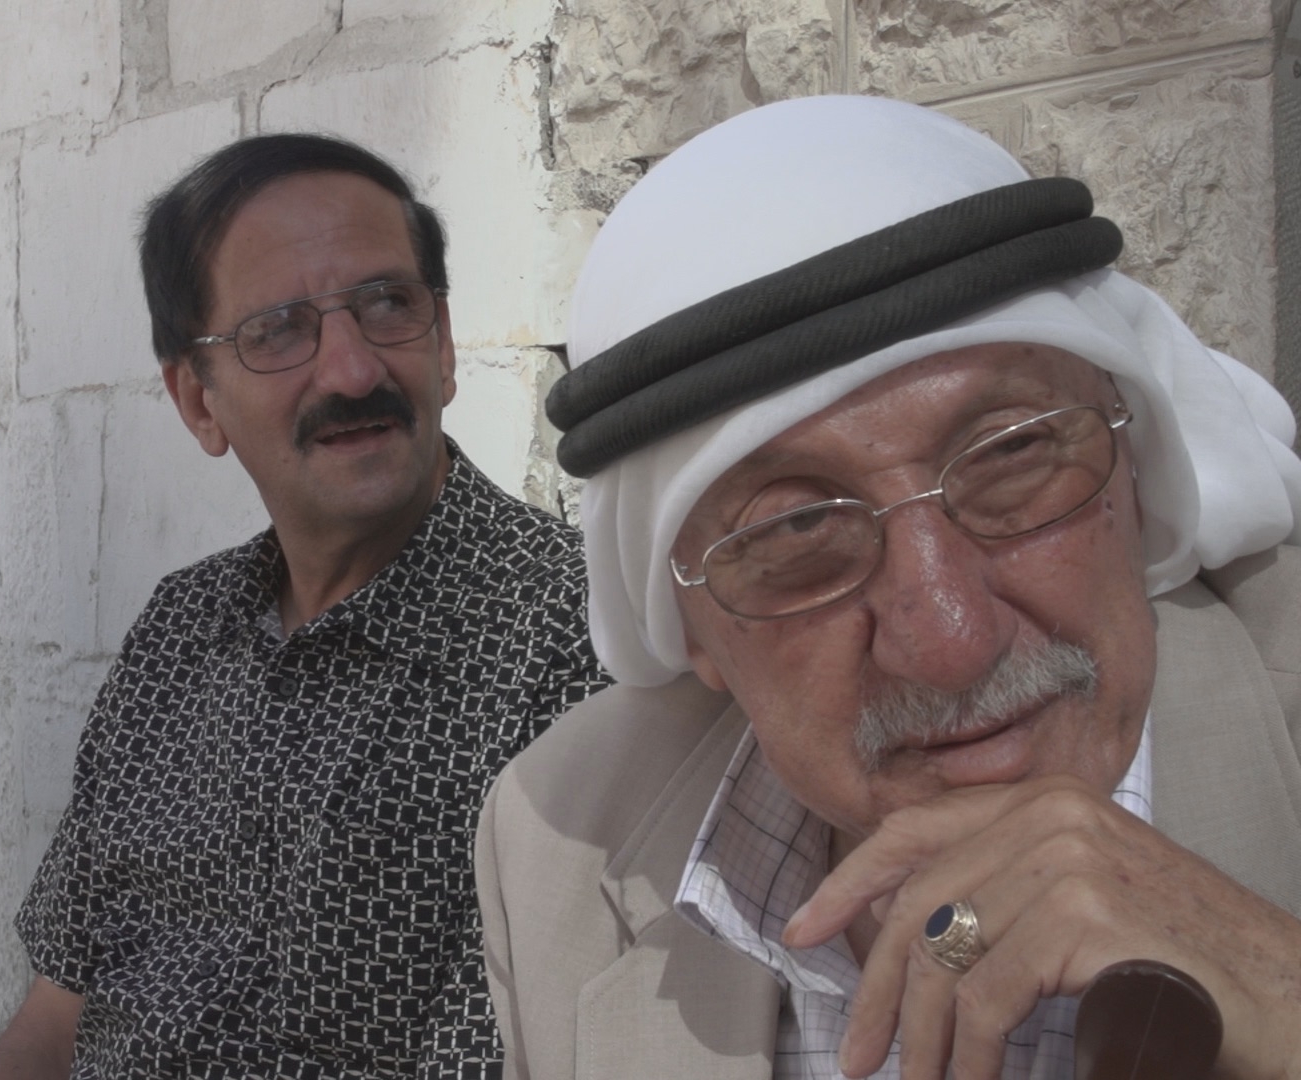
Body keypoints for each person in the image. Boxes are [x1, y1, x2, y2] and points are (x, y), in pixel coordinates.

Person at [475, 95, 1301, 1079]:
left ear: (1135, 459)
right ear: (690, 621)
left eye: (1013, 457)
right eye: (795, 528)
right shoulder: (560, 839)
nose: (951, 638)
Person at [0, 133, 609, 1079]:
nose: (353, 372)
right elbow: (62, 1004)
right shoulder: (181, 634)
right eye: (277, 330)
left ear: (441, 342)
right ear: (199, 403)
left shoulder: (572, 639)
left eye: (388, 305)